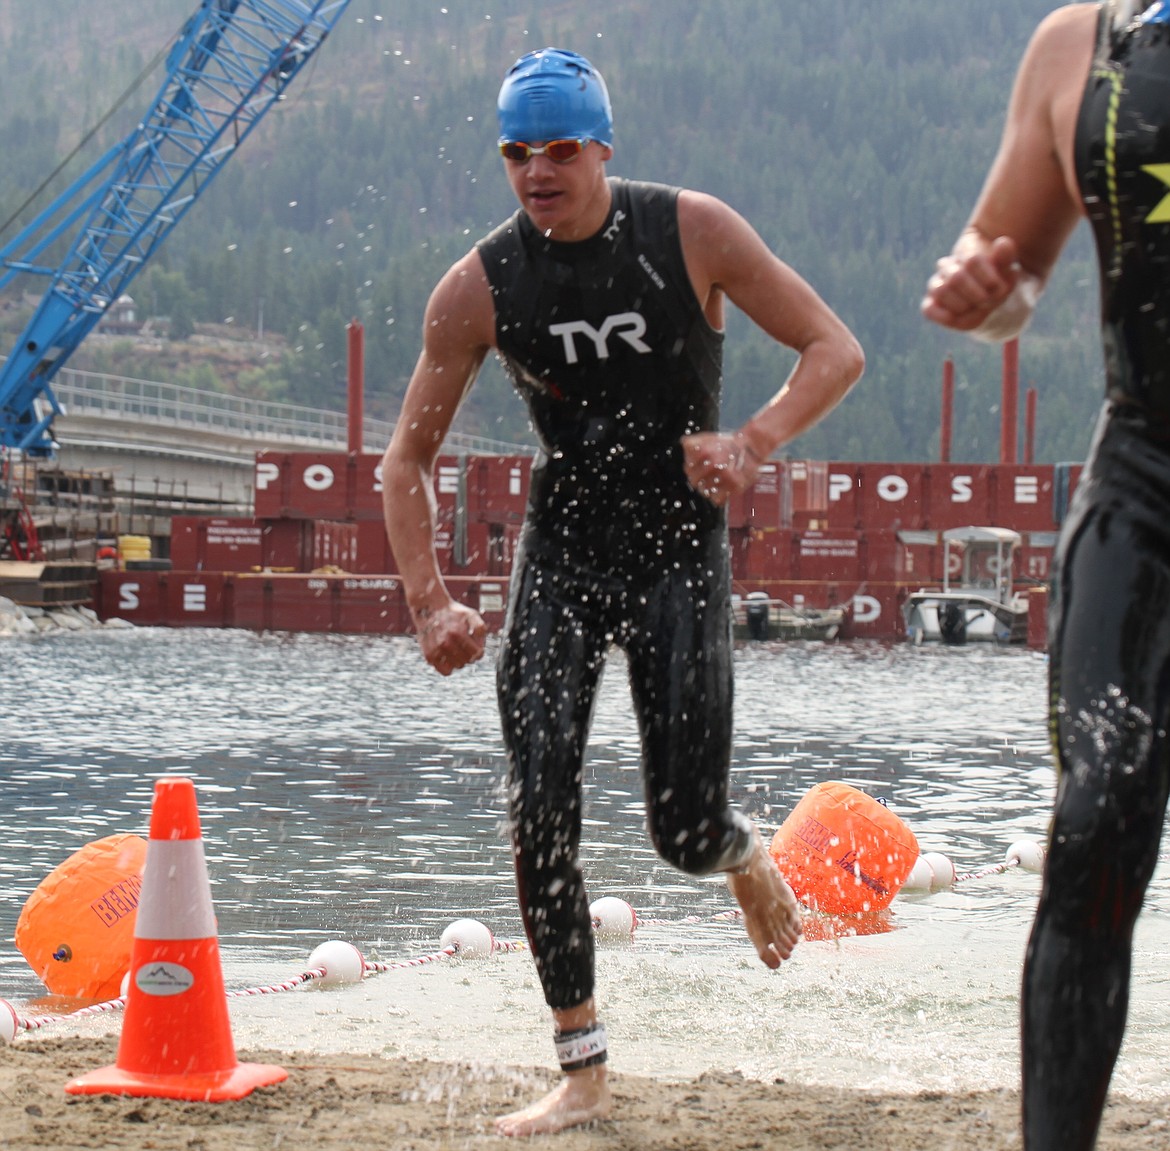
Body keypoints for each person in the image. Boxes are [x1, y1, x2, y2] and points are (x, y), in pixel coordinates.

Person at [382, 47, 863, 1137]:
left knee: (682, 831)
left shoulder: (691, 232)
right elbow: (403, 464)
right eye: (516, 153)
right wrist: (429, 601)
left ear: (602, 144)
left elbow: (836, 349)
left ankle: (743, 856)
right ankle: (582, 1068)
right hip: (561, 556)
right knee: (537, 803)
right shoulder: (479, 286)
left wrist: (755, 439)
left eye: (559, 149)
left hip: (677, 555)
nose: (537, 172)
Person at [921, 3, 1170, 1148]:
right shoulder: (1085, 47)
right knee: (1096, 819)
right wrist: (987, 294)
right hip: (1145, 483)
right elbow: (1012, 279)